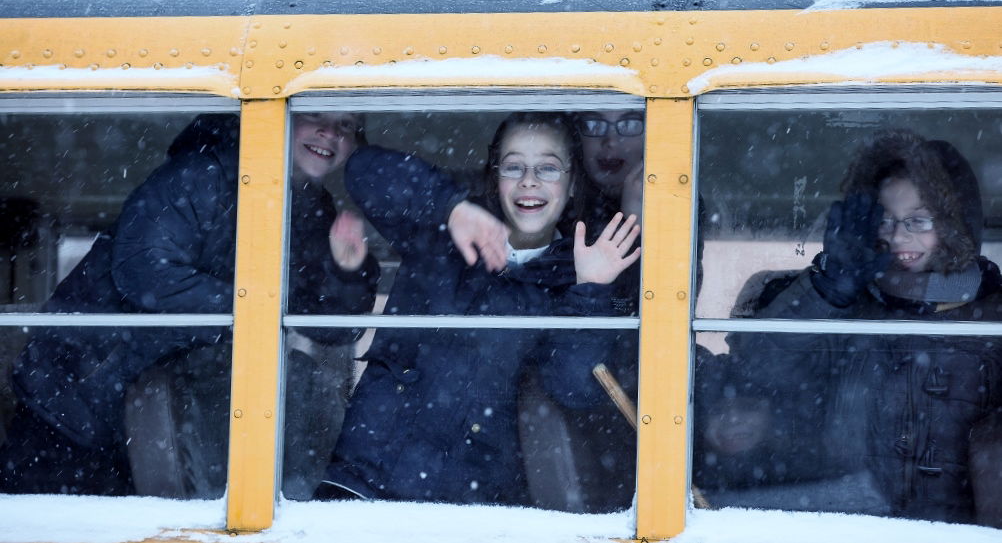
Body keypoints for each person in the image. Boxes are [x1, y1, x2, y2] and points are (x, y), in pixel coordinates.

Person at [1, 112, 379, 496]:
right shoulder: (202, 175)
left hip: (163, 415)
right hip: (76, 393)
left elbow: (333, 328)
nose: (330, 132)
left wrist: (348, 272)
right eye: (314, 116)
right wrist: (252, 308)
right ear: (279, 118)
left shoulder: (313, 213)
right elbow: (144, 271)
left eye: (347, 125)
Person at [317, 112, 640, 506]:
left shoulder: (575, 274)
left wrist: (591, 289)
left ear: (572, 184)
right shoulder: (442, 232)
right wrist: (450, 208)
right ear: (495, 175)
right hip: (365, 483)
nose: (529, 181)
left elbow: (573, 387)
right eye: (514, 166)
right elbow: (363, 171)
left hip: (474, 505)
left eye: (549, 168)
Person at [695, 129, 1002, 525]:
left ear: (957, 223)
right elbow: (758, 371)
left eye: (919, 220)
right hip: (845, 522)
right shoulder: (842, 306)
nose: (897, 236)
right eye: (885, 220)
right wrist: (827, 289)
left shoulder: (993, 317)